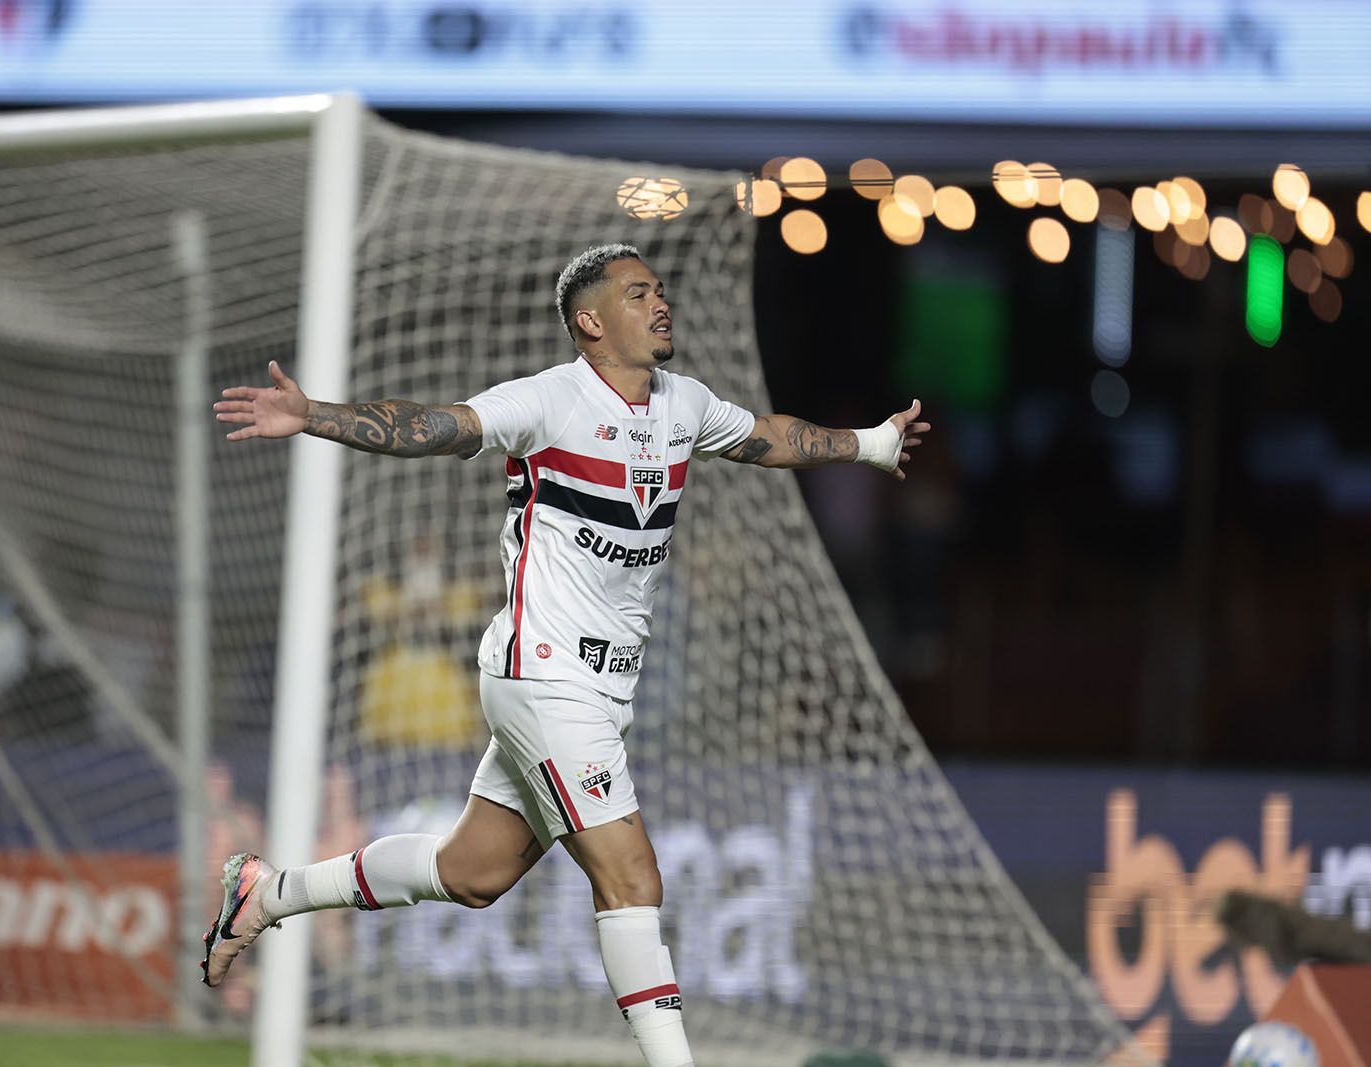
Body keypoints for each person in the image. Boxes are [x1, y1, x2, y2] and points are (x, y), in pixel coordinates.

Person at [204, 243, 930, 1067]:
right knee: (632, 876)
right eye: (636, 293)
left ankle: (266, 893)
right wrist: (316, 415)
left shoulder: (683, 404)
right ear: (590, 321)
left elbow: (769, 437)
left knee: (472, 872)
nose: (660, 304)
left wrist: (870, 444)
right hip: (542, 672)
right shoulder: (550, 400)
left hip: (599, 688)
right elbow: (438, 427)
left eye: (659, 291)